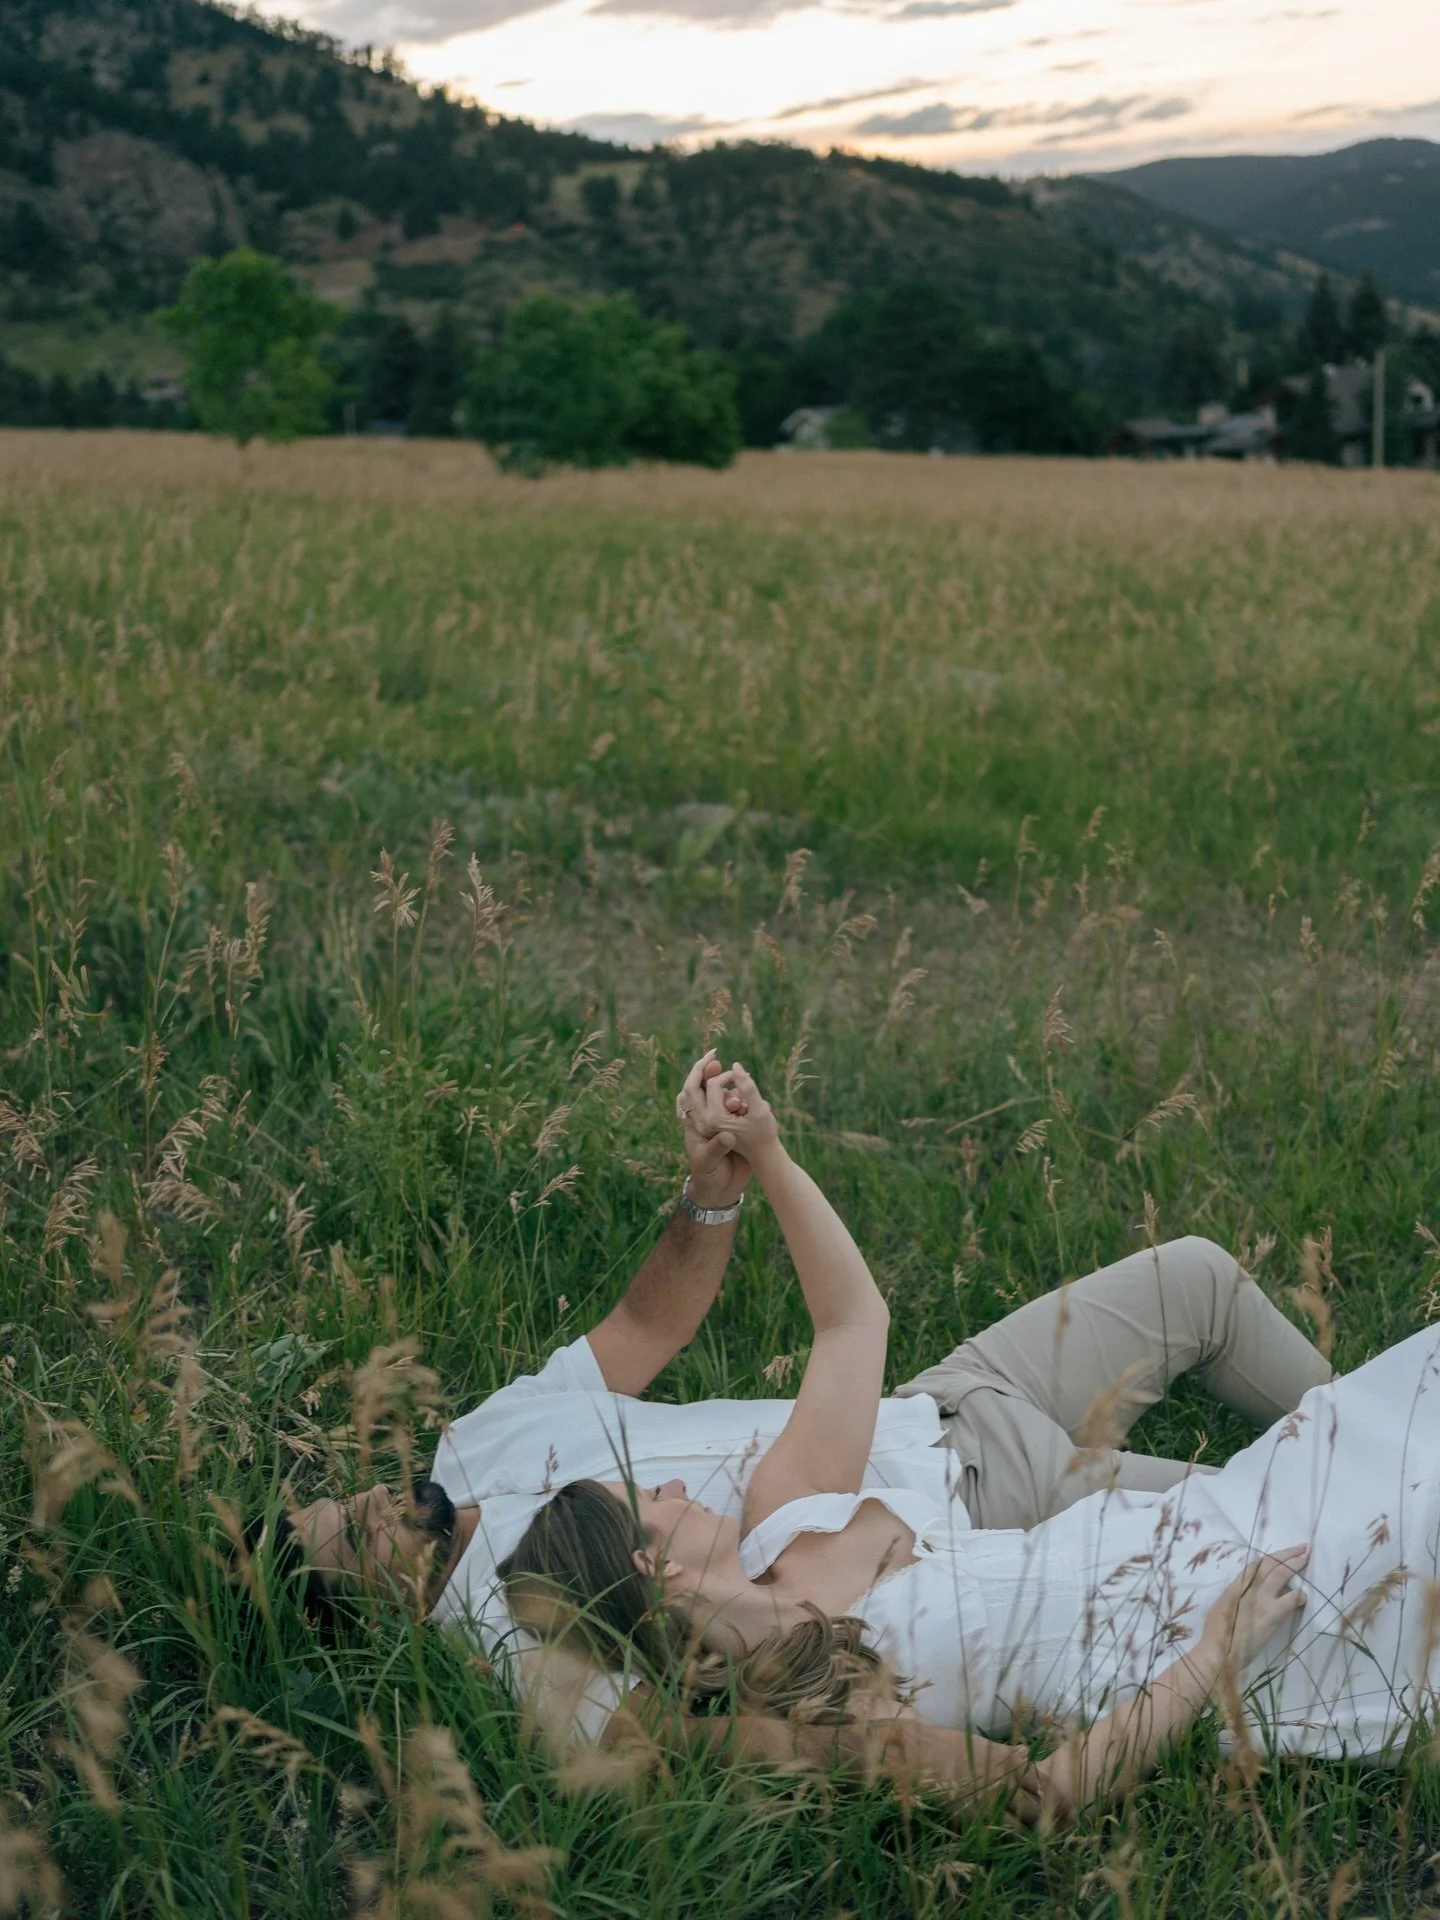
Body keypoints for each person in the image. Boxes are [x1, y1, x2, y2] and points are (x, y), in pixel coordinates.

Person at [275, 1051, 1330, 1758]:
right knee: (1307, 1500)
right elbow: (692, 1724)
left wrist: (717, 1186)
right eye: (352, 1545)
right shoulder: (522, 1641)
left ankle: (1368, 1405)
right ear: (376, 1618)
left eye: (346, 1499)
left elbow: (642, 1333)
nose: (369, 1507)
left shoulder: (477, 1438)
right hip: (969, 1521)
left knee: (1196, 1277)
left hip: (929, 1407)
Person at [504, 1062, 1440, 1812]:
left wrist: (770, 1156)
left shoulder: (783, 1521)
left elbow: (850, 1325)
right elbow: (1049, 1794)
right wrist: (1214, 1654)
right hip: (1203, 1630)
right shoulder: (801, 1714)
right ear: (652, 1567)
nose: (675, 1489)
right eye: (653, 1501)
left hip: (1182, 1522)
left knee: (1388, 1424)